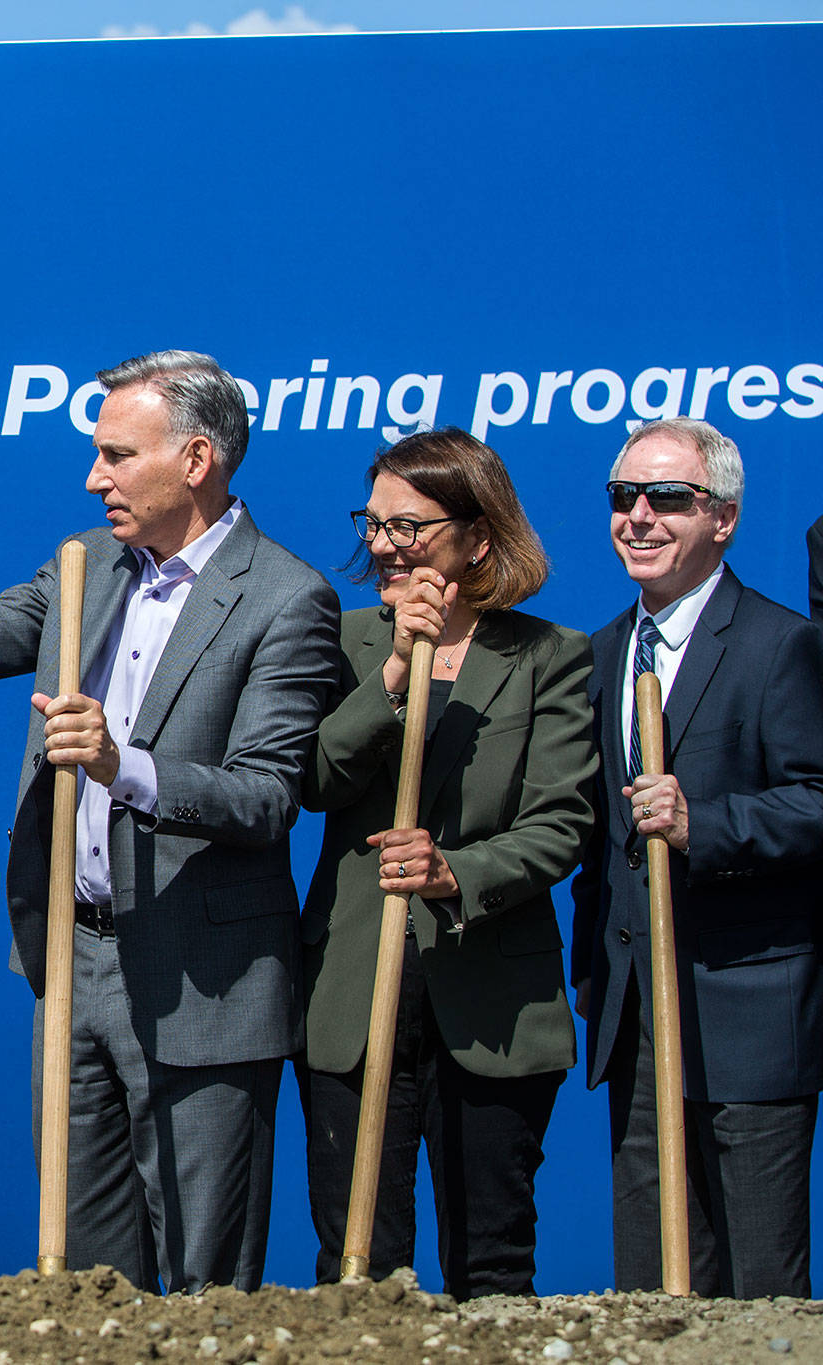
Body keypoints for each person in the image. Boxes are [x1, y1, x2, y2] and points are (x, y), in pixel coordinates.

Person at [0, 349, 342, 1293]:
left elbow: (266, 794)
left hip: (203, 985)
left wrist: (127, 767)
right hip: (72, 965)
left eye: (118, 455)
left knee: (206, 1281)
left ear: (196, 460)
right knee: (85, 1275)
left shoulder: (288, 598)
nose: (96, 476)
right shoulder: (87, 568)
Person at [296, 428, 596, 1298]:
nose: (387, 545)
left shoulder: (549, 656)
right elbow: (312, 778)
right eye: (376, 523)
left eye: (411, 526)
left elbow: (560, 821)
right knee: (357, 1265)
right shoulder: (344, 638)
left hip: (491, 996)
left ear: (479, 537)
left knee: (493, 1265)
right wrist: (394, 671)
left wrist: (455, 871)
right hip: (353, 988)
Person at [572, 417, 823, 1298]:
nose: (638, 516)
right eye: (622, 497)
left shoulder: (779, 643)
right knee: (653, 1288)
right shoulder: (598, 655)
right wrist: (591, 977)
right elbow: (597, 846)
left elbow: (817, 800)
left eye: (666, 498)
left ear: (722, 518)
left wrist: (702, 823)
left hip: (750, 1014)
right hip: (637, 1018)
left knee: (759, 1291)